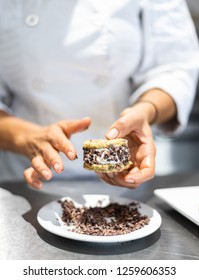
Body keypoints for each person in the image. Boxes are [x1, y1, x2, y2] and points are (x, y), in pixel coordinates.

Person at [0, 0, 198, 189]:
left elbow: (174, 68)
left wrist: (145, 110)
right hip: (25, 178)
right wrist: (26, 137)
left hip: (125, 168)